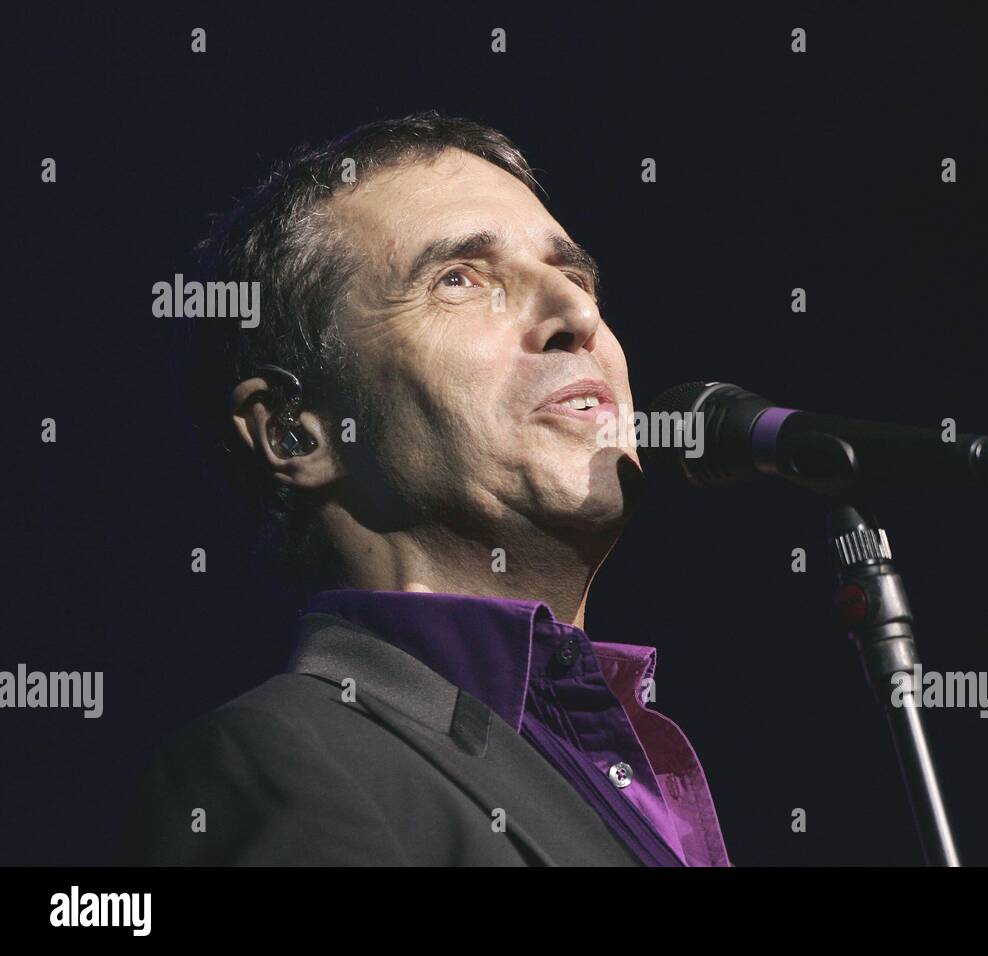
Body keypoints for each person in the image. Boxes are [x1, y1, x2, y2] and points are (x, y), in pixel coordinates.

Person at [117, 112, 729, 867]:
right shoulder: (279, 760)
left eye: (573, 276)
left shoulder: (640, 763)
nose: (579, 315)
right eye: (460, 280)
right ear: (296, 434)